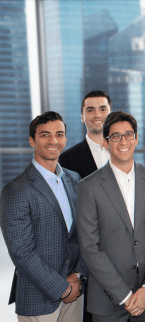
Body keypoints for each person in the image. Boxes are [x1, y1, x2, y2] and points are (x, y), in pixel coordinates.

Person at [77, 111, 145, 321]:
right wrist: (125, 296)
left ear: (136, 139)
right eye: (115, 136)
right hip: (107, 300)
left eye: (128, 134)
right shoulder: (88, 186)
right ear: (105, 142)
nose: (123, 141)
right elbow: (89, 247)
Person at [1, 111, 88, 321]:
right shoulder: (16, 190)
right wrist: (63, 289)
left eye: (59, 134)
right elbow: (22, 253)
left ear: (65, 139)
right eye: (45, 135)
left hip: (75, 293)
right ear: (32, 141)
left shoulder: (74, 179)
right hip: (38, 300)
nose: (53, 141)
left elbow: (84, 234)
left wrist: (77, 276)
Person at [60, 90, 112, 179]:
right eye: (90, 110)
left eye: (103, 109)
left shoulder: (122, 150)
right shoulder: (67, 159)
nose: (97, 115)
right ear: (82, 117)